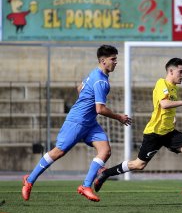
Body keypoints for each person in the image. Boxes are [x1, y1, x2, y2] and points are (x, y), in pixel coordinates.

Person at [22, 45, 132, 202]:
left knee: (105, 150)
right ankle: (29, 180)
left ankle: (85, 186)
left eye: (116, 59)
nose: (116, 62)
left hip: (90, 123)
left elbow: (79, 87)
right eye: (113, 59)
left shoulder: (94, 74)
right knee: (58, 152)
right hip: (77, 121)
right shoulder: (100, 81)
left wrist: (85, 102)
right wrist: (119, 117)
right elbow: (100, 109)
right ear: (103, 60)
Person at [94, 57, 182, 198]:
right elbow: (164, 104)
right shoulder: (161, 83)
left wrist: (173, 117)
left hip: (169, 132)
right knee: (139, 165)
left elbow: (167, 108)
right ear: (171, 71)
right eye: (181, 71)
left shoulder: (173, 88)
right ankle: (105, 173)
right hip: (155, 133)